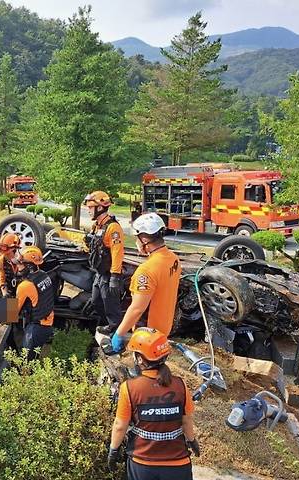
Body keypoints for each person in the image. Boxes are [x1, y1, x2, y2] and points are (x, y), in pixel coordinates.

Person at [108, 328, 199, 480]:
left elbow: (120, 425)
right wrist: (192, 441)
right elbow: (186, 421)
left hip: (142, 464)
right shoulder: (180, 385)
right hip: (178, 465)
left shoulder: (130, 388)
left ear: (140, 359)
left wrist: (113, 450)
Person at [111, 213, 181, 353]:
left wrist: (119, 334)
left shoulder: (146, 271)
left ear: (144, 240)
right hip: (164, 329)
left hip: (147, 336)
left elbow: (137, 309)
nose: (136, 242)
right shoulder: (174, 259)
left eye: (137, 239)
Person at [83, 191, 125, 336]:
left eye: (90, 207)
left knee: (111, 305)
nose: (88, 210)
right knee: (96, 301)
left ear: (100, 208)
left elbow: (117, 252)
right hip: (99, 273)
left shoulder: (113, 228)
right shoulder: (97, 226)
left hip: (108, 274)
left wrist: (115, 276)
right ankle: (106, 324)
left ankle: (116, 331)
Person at [15, 246, 54, 360]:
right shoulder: (44, 275)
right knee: (35, 353)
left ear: (28, 266)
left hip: (36, 329)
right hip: (48, 322)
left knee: (27, 361)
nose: (18, 267)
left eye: (20, 264)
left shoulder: (25, 286)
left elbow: (11, 313)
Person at [0, 232, 22, 298]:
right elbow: (2, 280)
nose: (4, 254)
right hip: (12, 292)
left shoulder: (25, 258)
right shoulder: (1, 260)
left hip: (25, 292)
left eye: (7, 252)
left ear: (14, 248)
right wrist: (5, 293)